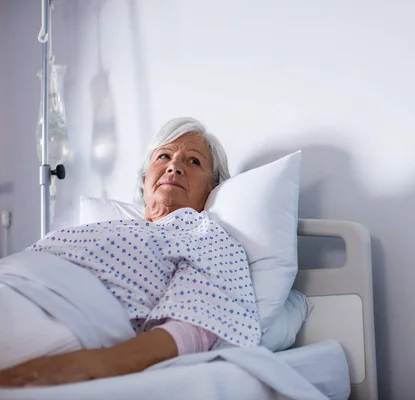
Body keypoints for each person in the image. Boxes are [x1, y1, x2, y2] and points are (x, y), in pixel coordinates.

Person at [0, 117, 260, 387]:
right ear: (145, 179)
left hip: (60, 310)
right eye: (163, 156)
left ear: (213, 187)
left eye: (193, 161)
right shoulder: (111, 226)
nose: (174, 167)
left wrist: (93, 364)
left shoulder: (204, 234)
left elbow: (196, 325)